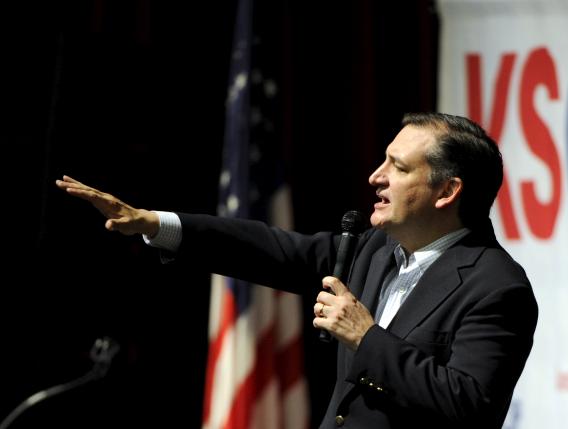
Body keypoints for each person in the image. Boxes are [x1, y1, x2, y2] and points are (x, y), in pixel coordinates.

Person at [56, 112, 538, 429]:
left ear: (447, 191)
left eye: (398, 166)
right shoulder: (375, 250)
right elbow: (271, 250)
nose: (376, 176)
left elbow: (471, 406)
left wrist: (365, 337)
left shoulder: (497, 287)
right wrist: (155, 224)